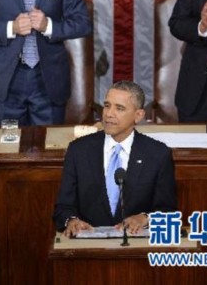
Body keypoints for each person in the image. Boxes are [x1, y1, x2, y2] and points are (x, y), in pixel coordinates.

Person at [53, 81, 177, 236]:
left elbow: (168, 211)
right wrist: (71, 221)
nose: (109, 114)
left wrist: (144, 218)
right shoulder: (79, 150)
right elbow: (63, 207)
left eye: (119, 108)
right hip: (88, 245)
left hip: (135, 245)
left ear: (138, 115)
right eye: (107, 105)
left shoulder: (157, 154)